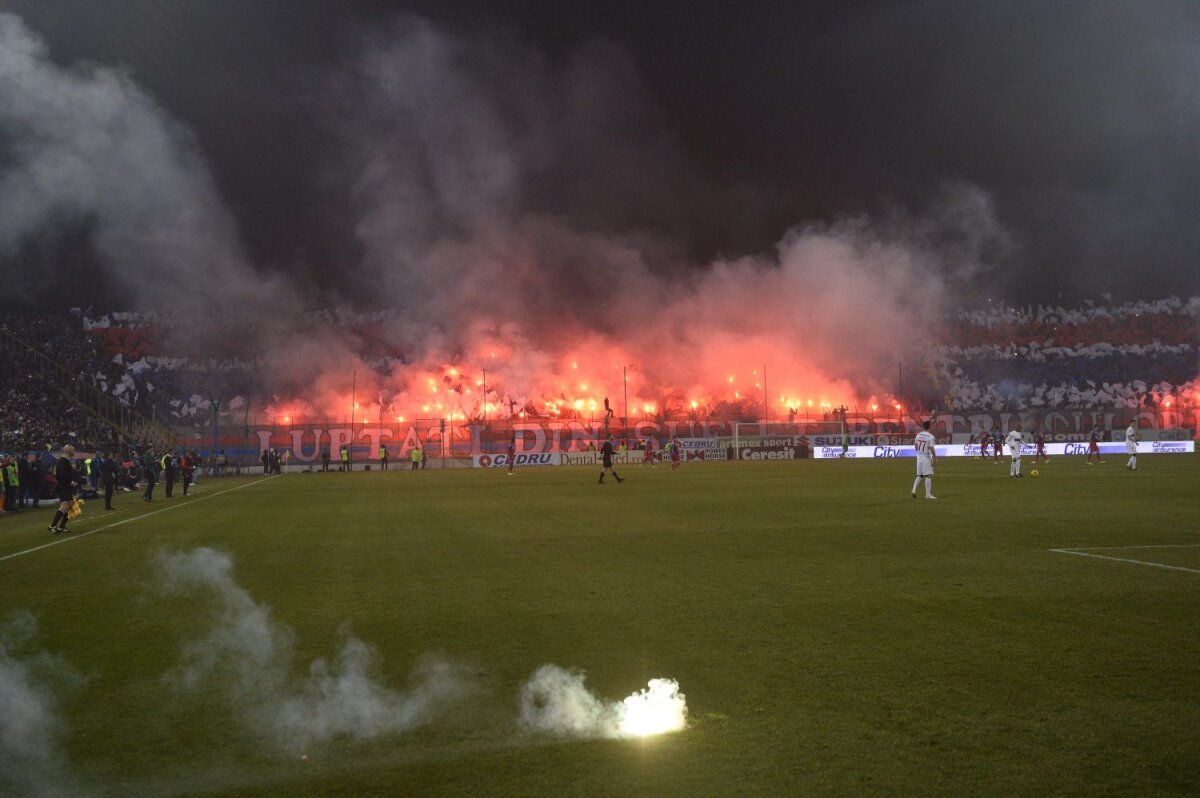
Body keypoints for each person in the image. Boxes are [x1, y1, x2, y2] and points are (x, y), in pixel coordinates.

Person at [49, 444, 80, 534]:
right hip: (63, 486)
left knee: (69, 505)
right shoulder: (63, 461)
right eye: (72, 450)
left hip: (66, 486)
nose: (73, 452)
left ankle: (61, 527)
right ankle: (52, 526)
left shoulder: (65, 461)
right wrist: (71, 482)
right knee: (65, 506)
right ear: (68, 451)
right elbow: (63, 475)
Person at [911, 420, 937, 499]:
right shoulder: (930, 436)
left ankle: (914, 490)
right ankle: (928, 495)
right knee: (928, 475)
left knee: (920, 475)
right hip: (926, 456)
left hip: (919, 456)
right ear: (930, 426)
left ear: (923, 426)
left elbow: (915, 446)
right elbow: (931, 448)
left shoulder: (918, 435)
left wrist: (920, 452)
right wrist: (935, 457)